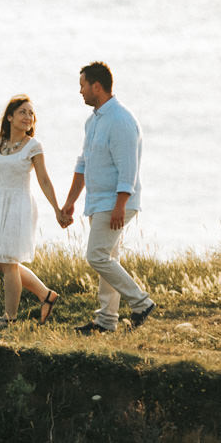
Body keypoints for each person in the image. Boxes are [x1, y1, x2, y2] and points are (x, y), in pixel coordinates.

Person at [59, 62, 155, 334]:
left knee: (97, 255)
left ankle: (141, 302)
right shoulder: (93, 121)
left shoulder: (121, 121)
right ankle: (106, 322)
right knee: (107, 257)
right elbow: (83, 164)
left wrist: (120, 206)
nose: (80, 91)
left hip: (116, 203)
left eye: (82, 85)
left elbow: (128, 169)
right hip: (98, 203)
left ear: (96, 86)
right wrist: (70, 201)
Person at [0, 94, 65, 326]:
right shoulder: (1, 145)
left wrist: (58, 209)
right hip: (3, 204)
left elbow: (44, 180)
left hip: (21, 204)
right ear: (9, 116)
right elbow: (2, 179)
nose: (28, 117)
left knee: (9, 261)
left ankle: (9, 317)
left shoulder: (33, 146)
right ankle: (45, 295)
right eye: (22, 112)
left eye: (31, 113)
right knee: (2, 262)